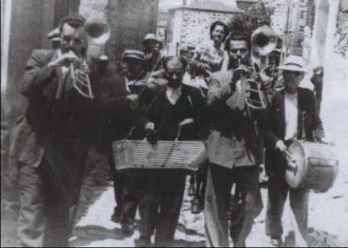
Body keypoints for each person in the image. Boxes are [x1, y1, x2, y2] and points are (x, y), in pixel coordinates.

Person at [11, 14, 103, 247]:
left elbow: (93, 114)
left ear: (83, 43)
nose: (70, 45)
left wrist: (87, 78)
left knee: (59, 219)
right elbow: (26, 87)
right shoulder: (41, 58)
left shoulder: (88, 70)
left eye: (76, 41)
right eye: (66, 39)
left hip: (64, 157)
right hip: (33, 151)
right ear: (59, 37)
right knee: (30, 215)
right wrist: (53, 68)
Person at [134, 56, 208, 247]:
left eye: (179, 73)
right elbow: (139, 112)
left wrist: (194, 123)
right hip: (154, 152)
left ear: (185, 72)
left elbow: (205, 122)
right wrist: (147, 124)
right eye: (170, 73)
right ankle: (145, 235)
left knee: (173, 199)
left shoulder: (193, 95)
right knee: (149, 197)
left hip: (178, 155)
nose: (174, 77)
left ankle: (164, 240)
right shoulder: (154, 92)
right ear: (164, 72)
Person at [204, 31, 264, 247]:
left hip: (248, 150)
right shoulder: (218, 77)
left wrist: (261, 82)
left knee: (251, 205)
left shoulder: (257, 77)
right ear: (228, 53)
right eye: (234, 51)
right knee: (216, 203)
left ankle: (238, 241)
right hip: (221, 148)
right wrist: (232, 82)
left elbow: (265, 112)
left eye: (243, 51)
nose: (239, 55)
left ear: (249, 52)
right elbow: (210, 103)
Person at [263, 55, 325, 247]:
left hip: (301, 152)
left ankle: (300, 237)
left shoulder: (307, 96)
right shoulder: (274, 96)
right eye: (288, 73)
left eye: (296, 74)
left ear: (301, 76)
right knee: (276, 197)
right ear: (283, 74)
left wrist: (321, 135)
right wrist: (276, 142)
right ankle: (274, 234)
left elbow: (316, 122)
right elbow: (265, 128)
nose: (291, 77)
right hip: (278, 153)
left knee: (300, 197)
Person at [98, 49, 149, 236]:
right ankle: (120, 207)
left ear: (142, 65)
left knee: (133, 178)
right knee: (119, 177)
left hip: (138, 137)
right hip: (117, 137)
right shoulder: (113, 82)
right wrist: (125, 99)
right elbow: (103, 104)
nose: (131, 66)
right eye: (128, 62)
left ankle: (128, 217)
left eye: (135, 63)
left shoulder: (148, 84)